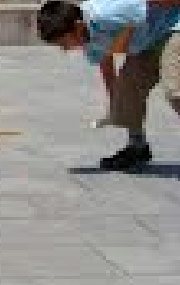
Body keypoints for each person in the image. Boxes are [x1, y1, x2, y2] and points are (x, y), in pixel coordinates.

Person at [38, 0, 180, 170]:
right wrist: (116, 99)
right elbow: (106, 62)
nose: (65, 49)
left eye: (63, 43)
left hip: (174, 27)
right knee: (127, 87)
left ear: (77, 26)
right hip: (149, 42)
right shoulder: (86, 38)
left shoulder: (107, 12)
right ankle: (137, 147)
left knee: (174, 89)